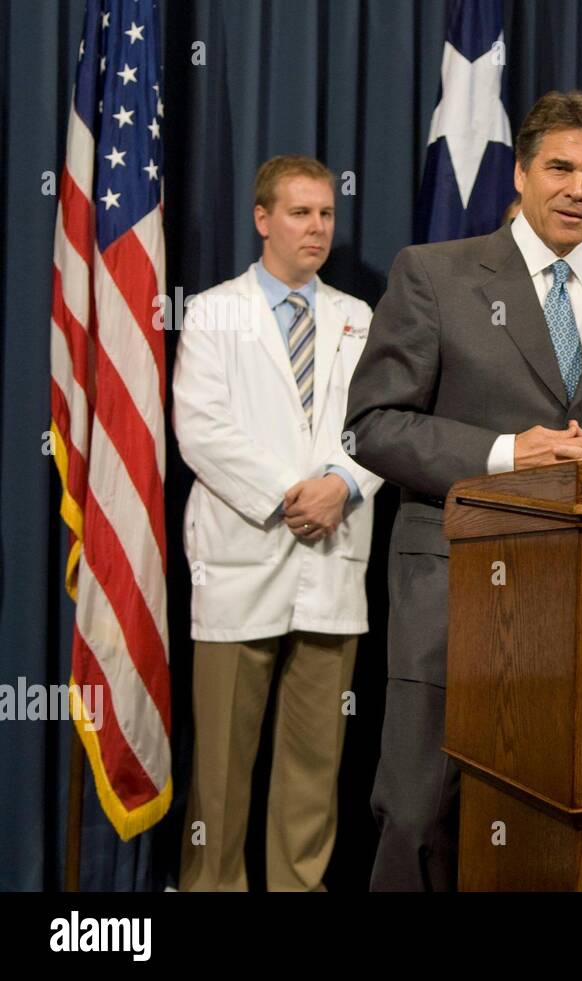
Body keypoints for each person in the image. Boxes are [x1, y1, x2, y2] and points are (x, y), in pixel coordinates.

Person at [346, 90, 582, 891]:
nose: (577, 190)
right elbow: (373, 425)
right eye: (559, 167)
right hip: (452, 577)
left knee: (545, 812)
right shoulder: (436, 274)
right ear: (520, 173)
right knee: (420, 808)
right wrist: (501, 452)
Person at [173, 155, 383, 891]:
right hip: (242, 558)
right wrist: (293, 494)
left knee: (313, 769)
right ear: (263, 219)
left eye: (326, 213)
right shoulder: (211, 310)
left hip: (331, 561)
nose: (318, 228)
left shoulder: (360, 317)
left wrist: (343, 486)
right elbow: (201, 428)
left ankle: (300, 886)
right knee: (222, 772)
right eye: (300, 213)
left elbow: (381, 425)